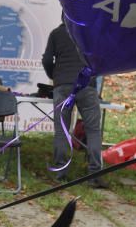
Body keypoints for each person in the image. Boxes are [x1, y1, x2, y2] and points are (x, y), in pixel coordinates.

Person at [42, 21, 107, 188]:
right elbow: (101, 59)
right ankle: (95, 175)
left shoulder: (57, 33)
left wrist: (56, 76)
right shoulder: (91, 33)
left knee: (61, 130)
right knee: (93, 131)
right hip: (87, 85)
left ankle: (60, 172)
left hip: (63, 86)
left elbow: (47, 60)